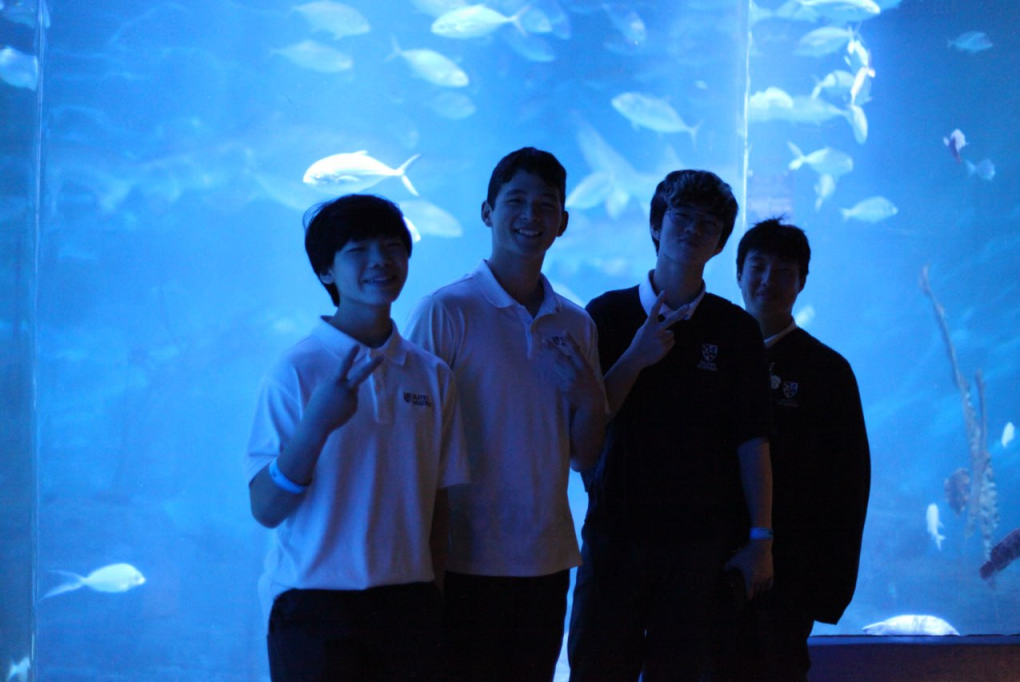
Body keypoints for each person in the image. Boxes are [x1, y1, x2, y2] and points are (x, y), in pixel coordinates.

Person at [244, 194, 469, 681]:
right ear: (326, 270)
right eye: (357, 250)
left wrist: (433, 595)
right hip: (314, 606)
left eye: (392, 246)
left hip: (409, 605)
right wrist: (317, 424)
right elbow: (265, 508)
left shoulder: (432, 374)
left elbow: (438, 502)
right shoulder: (296, 370)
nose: (380, 260)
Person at [405, 147, 607, 682]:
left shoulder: (576, 324)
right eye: (515, 201)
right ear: (487, 211)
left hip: (546, 557)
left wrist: (590, 396)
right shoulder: (446, 311)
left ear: (563, 221)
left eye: (546, 205)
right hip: (460, 558)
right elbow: (410, 442)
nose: (530, 215)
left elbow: (584, 455)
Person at [568, 169, 774, 682]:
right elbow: (585, 425)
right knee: (596, 668)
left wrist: (761, 538)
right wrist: (635, 357)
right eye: (681, 216)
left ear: (721, 242)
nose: (693, 229)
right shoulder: (604, 315)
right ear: (656, 225)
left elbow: (752, 440)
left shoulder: (736, 329)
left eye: (708, 223)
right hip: (614, 534)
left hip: (700, 545)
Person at [729, 217, 870, 681]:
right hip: (704, 562)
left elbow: (849, 484)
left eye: (784, 271)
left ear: (802, 282)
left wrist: (827, 587)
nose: (768, 280)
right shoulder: (711, 351)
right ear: (738, 272)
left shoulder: (828, 371)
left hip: (790, 570)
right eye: (758, 266)